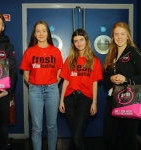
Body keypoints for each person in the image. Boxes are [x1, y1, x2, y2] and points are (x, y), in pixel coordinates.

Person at [19, 20, 63, 150]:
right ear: (34, 34)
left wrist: (51, 84)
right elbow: (26, 76)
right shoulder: (29, 52)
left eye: (44, 30)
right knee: (37, 127)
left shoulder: (55, 51)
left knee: (52, 126)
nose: (41, 33)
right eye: (38, 31)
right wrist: (35, 85)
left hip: (52, 90)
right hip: (35, 91)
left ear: (48, 33)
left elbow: (59, 74)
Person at [59, 28, 103, 150]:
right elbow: (65, 81)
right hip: (69, 99)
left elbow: (95, 82)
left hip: (85, 99)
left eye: (81, 40)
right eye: (76, 41)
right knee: (75, 135)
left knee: (77, 135)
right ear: (73, 43)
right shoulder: (69, 60)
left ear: (86, 40)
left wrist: (94, 102)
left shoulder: (94, 60)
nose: (79, 43)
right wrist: (61, 100)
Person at [103, 21, 141, 150]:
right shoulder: (111, 54)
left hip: (130, 100)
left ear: (128, 36)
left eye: (123, 34)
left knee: (129, 138)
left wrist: (126, 79)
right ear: (113, 36)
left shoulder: (133, 52)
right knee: (108, 137)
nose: (119, 37)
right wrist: (111, 78)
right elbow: (105, 78)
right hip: (112, 99)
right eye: (116, 34)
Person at [0, 11, 17, 150]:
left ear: (3, 27)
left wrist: (7, 92)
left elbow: (13, 71)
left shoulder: (8, 46)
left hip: (2, 93)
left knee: (3, 129)